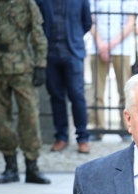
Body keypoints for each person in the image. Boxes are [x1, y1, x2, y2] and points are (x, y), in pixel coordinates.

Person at [0, 0, 51, 185]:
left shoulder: (26, 3)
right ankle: (10, 166)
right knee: (1, 119)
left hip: (22, 66)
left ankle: (32, 166)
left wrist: (40, 65)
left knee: (29, 116)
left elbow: (38, 33)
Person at [36, 0, 92, 155]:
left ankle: (83, 138)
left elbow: (87, 22)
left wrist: (74, 36)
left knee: (77, 95)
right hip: (49, 53)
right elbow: (37, 22)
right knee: (56, 96)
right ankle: (61, 137)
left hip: (72, 52)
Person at [88, 0, 138, 142]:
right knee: (97, 91)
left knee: (125, 92)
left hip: (122, 48)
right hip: (98, 47)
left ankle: (126, 128)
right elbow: (91, 20)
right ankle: (98, 127)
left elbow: (130, 23)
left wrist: (110, 45)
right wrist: (101, 44)